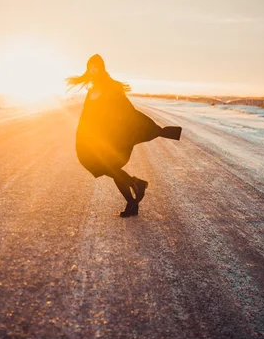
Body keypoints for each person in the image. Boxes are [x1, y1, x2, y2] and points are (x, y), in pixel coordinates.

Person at [66, 54, 182, 217]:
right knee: (102, 165)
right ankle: (134, 194)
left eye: (96, 67)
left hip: (109, 137)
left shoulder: (111, 87)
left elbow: (126, 109)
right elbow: (87, 115)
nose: (93, 70)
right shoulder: (92, 90)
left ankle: (135, 191)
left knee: (111, 168)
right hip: (95, 138)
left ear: (102, 68)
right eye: (90, 67)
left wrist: (150, 128)